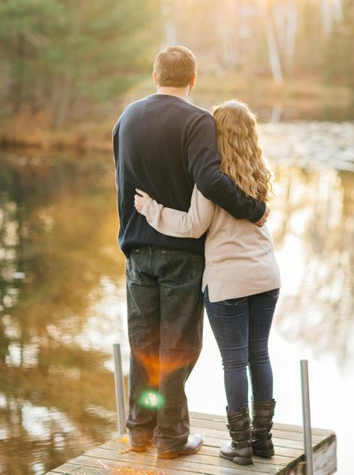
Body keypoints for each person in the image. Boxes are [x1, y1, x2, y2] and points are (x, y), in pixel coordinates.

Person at [113, 46, 268, 459]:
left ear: (154, 75)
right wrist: (254, 210)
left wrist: (129, 231)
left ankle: (139, 432)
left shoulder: (127, 117)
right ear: (193, 80)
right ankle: (171, 438)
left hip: (136, 251)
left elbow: (120, 181)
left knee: (143, 343)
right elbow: (211, 180)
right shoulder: (196, 120)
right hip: (180, 253)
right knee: (177, 347)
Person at [134, 100, 281, 466]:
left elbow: (191, 227)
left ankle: (240, 446)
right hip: (266, 276)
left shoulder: (211, 182)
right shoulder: (260, 173)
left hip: (227, 283)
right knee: (259, 355)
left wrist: (151, 209)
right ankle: (263, 441)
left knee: (234, 363)